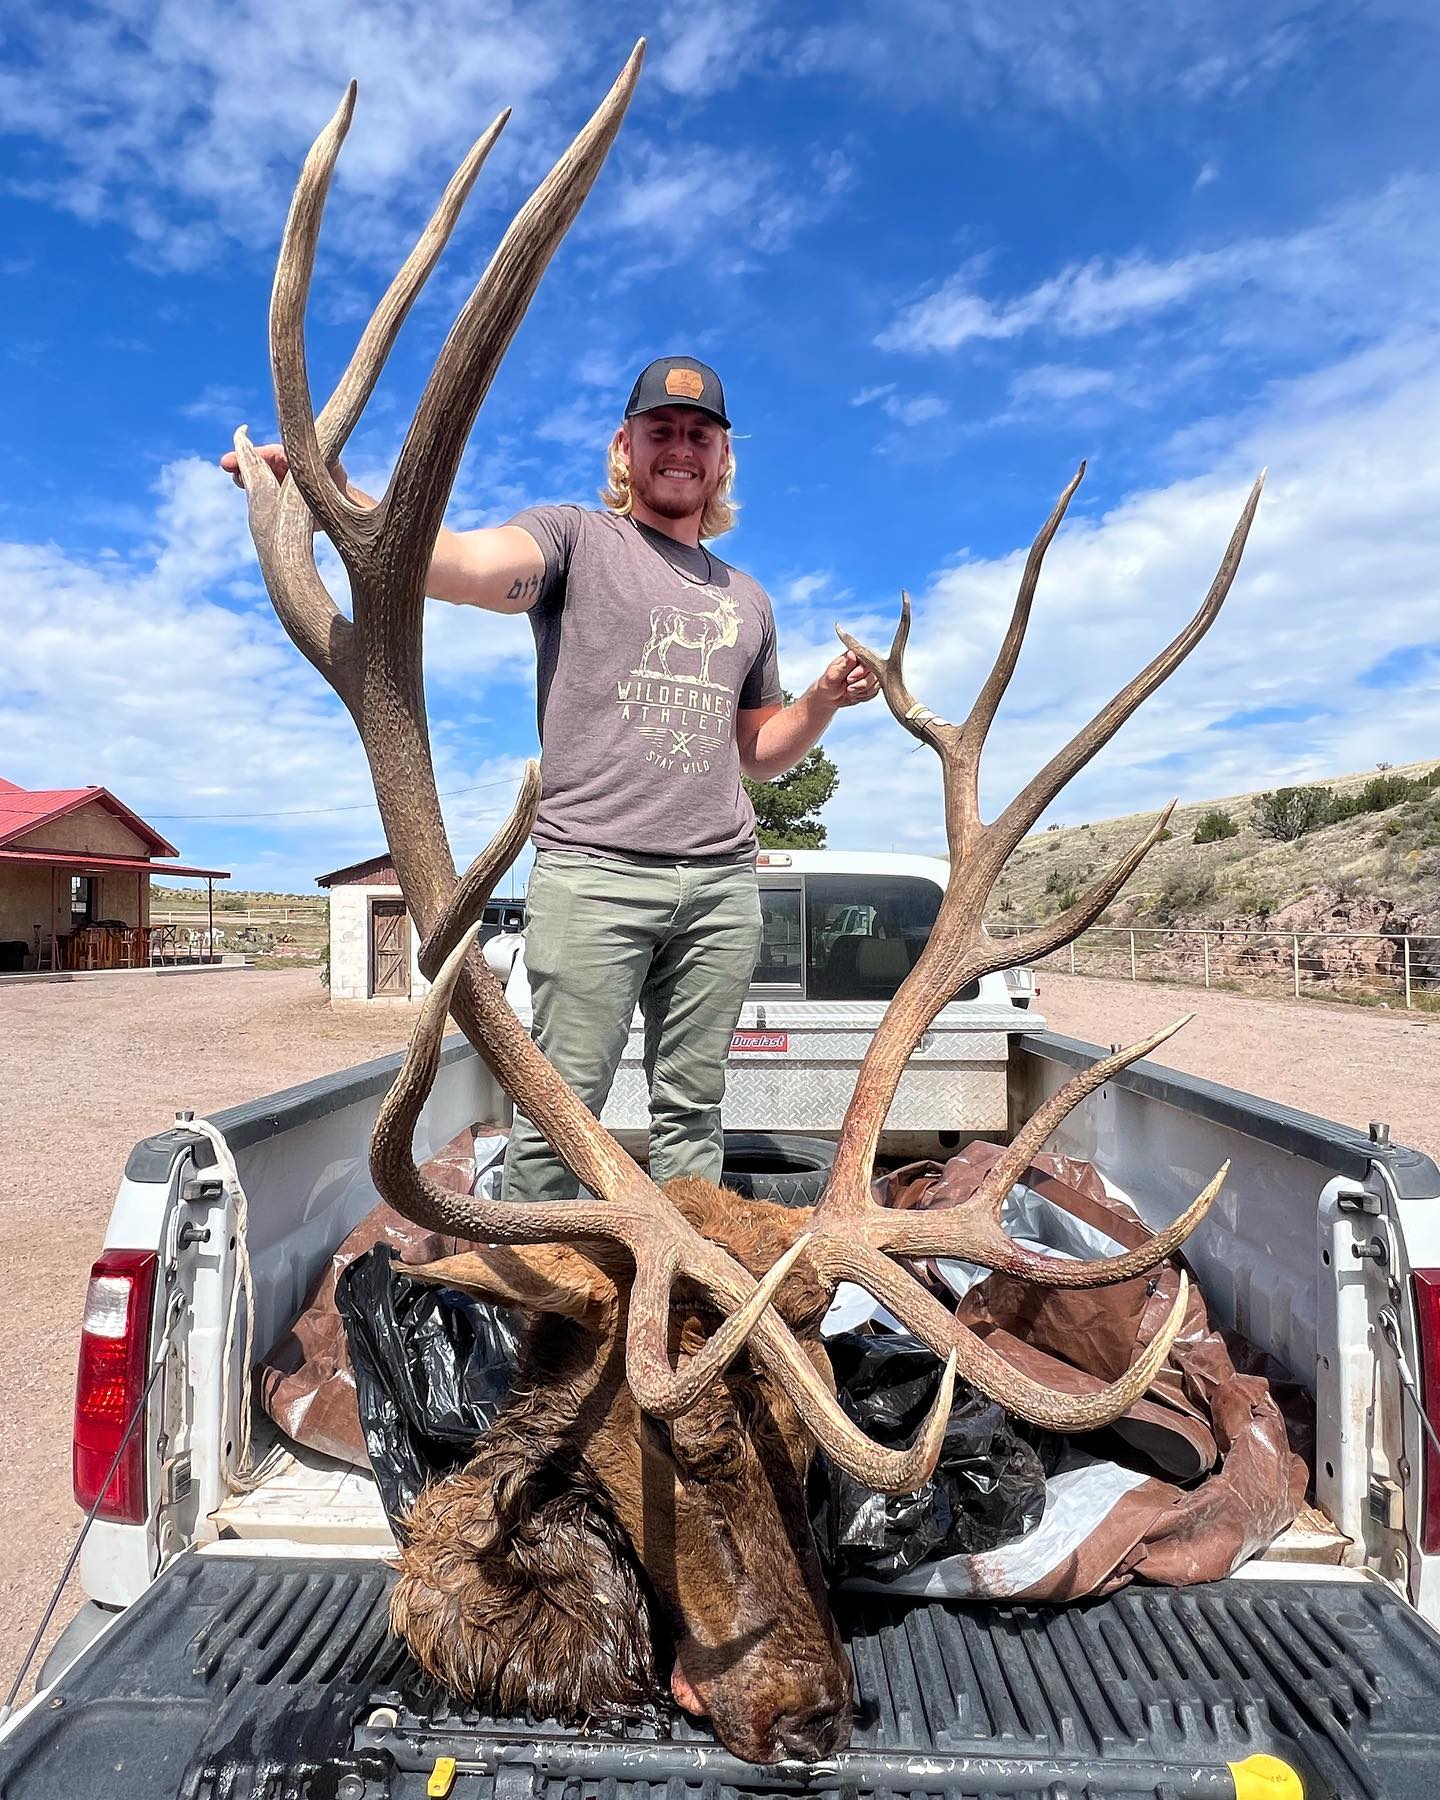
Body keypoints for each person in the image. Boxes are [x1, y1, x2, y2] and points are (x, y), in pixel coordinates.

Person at [223, 355, 878, 1201]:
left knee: (694, 1114)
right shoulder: (574, 539)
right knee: (560, 1113)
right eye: (661, 431)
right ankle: (534, 1314)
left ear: (722, 461)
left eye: (699, 435)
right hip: (593, 873)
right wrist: (340, 495)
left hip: (721, 885)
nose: (680, 448)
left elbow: (756, 749)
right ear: (625, 446)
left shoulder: (748, 600)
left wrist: (822, 699)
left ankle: (676, 1305)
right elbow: (454, 563)